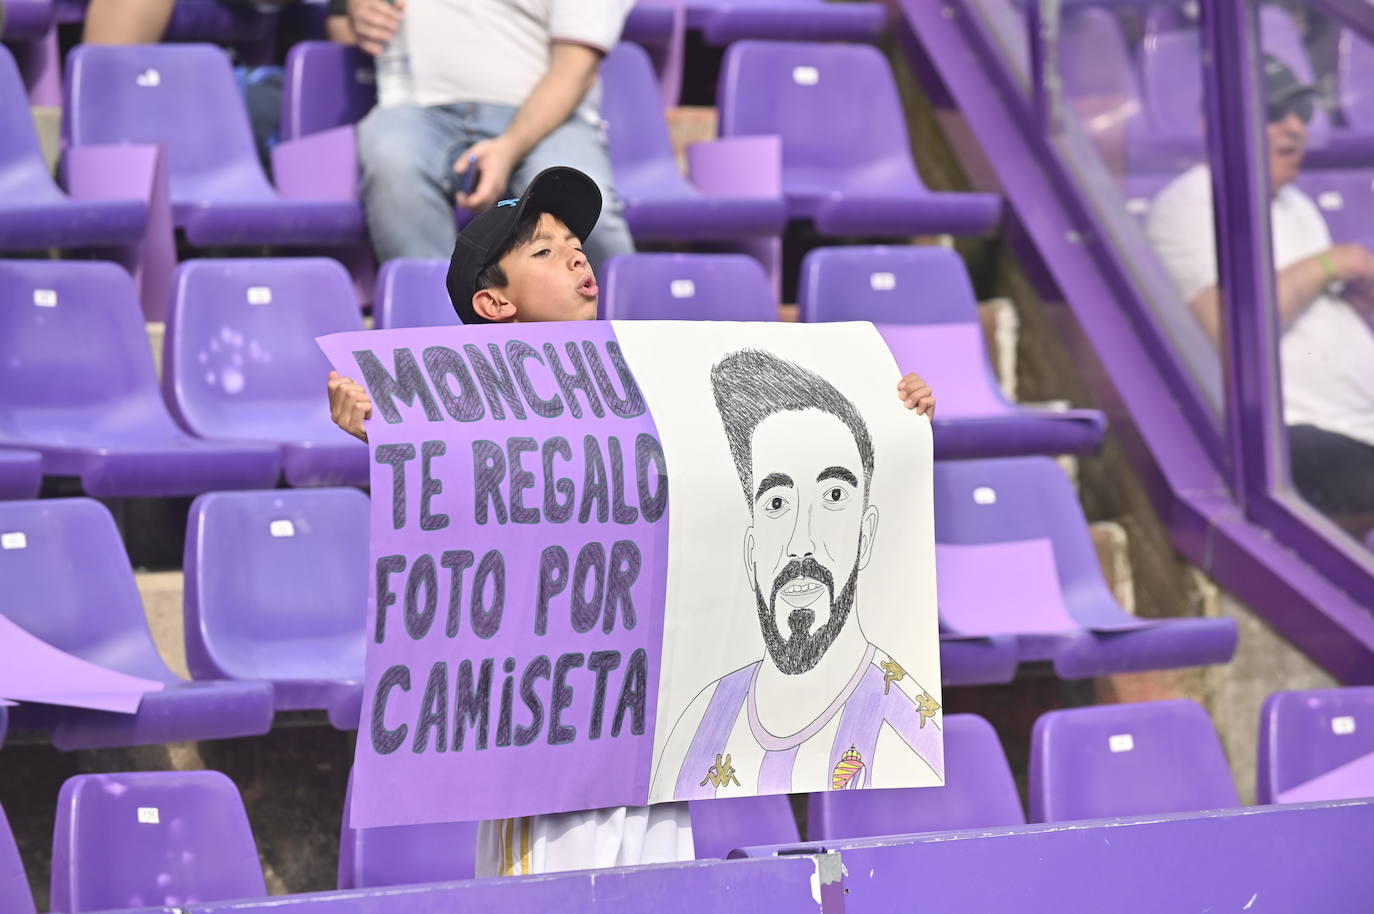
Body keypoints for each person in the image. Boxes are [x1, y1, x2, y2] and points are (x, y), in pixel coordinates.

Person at [326, 166, 937, 875]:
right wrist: (382, 435)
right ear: (494, 304)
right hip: (539, 749)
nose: (576, 255)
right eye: (544, 252)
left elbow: (757, 471)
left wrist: (891, 411)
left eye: (575, 243)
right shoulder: (468, 414)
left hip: (648, 732)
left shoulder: (653, 385)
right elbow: (457, 496)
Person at [653, 349, 943, 800]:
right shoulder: (696, 724)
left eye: (832, 496)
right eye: (776, 503)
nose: (801, 542)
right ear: (751, 550)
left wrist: (908, 423)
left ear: (866, 535)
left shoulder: (910, 733)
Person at [1147, 53, 1374, 528]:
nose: (1295, 128)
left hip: (1355, 428)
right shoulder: (1196, 198)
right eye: (1272, 114)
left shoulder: (1297, 204)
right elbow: (1228, 332)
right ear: (1216, 126)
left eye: (1301, 113)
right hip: (1288, 437)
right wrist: (1333, 263)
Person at [340, 0, 637, 272]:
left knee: (582, 199)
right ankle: (437, 323)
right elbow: (341, 23)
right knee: (394, 164)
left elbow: (576, 67)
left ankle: (629, 325)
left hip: (552, 116)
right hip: (416, 111)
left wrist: (508, 149)